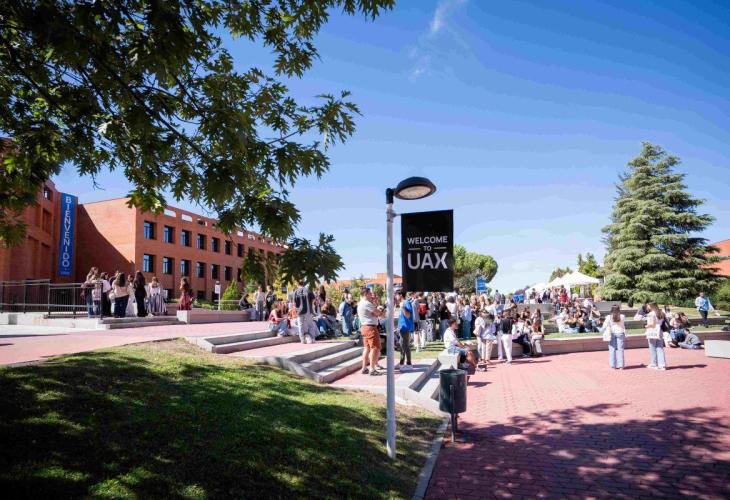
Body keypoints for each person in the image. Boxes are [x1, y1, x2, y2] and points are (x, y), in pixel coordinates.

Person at [358, 287, 383, 375]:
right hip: (370, 328)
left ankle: (364, 368)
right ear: (365, 294)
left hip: (364, 327)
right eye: (369, 293)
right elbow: (378, 313)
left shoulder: (361, 303)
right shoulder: (366, 303)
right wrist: (381, 309)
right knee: (375, 348)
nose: (371, 295)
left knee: (367, 348)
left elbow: (373, 313)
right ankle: (372, 369)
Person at [293, 279, 318, 344]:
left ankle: (302, 340)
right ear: (303, 283)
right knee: (310, 325)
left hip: (299, 311)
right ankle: (312, 339)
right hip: (308, 310)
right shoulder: (308, 290)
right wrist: (311, 305)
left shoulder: (295, 292)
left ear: (298, 284)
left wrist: (295, 311)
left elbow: (294, 304)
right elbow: (313, 299)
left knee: (300, 325)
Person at [602, 305, 626, 369]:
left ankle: (613, 365)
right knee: (620, 349)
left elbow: (604, 326)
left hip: (612, 333)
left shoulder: (609, 317)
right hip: (620, 332)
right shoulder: (622, 316)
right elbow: (623, 324)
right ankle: (621, 365)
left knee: (612, 349)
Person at [645, 302, 668, 370]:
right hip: (660, 330)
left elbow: (652, 324)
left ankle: (654, 364)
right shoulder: (661, 313)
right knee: (660, 348)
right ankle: (662, 365)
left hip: (652, 331)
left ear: (651, 306)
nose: (647, 307)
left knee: (652, 348)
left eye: (648, 305)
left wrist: (646, 326)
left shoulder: (651, 314)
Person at [396, 290, 414, 371]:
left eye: (396, 295)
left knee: (405, 346)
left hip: (406, 328)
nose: (395, 296)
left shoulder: (406, 303)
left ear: (400, 295)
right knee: (402, 346)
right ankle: (401, 363)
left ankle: (409, 364)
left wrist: (402, 307)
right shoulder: (402, 303)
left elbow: (408, 315)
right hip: (402, 328)